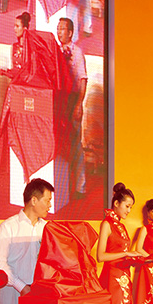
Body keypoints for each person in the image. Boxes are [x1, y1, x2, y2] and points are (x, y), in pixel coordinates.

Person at [57, 17, 87, 197]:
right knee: (62, 144)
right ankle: (63, 186)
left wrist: (78, 105)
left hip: (73, 100)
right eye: (58, 28)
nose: (59, 31)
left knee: (75, 145)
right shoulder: (55, 51)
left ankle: (80, 187)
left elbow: (83, 80)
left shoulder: (77, 52)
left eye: (62, 29)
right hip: (59, 102)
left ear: (70, 33)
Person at [0, 12, 29, 79]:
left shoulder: (30, 48)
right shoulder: (14, 46)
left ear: (25, 28)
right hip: (14, 82)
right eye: (14, 26)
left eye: (17, 26)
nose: (14, 28)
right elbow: (13, 68)